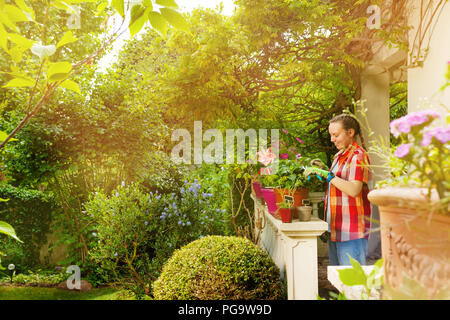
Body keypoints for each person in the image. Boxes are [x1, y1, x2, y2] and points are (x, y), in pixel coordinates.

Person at [322, 113, 373, 266]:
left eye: (335, 135)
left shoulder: (358, 156)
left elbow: (353, 189)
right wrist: (323, 171)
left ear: (350, 133)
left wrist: (329, 176)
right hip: (336, 227)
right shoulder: (340, 155)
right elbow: (337, 182)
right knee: (340, 281)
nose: (332, 139)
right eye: (331, 135)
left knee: (354, 282)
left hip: (352, 230)